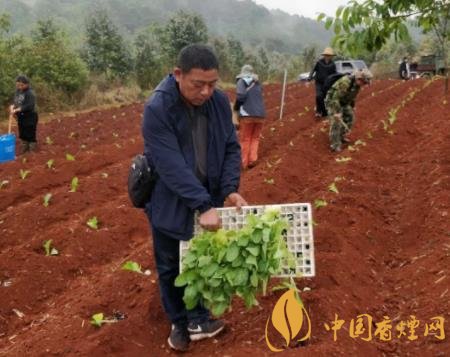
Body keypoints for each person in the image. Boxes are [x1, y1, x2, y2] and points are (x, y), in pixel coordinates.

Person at [141, 44, 247, 352]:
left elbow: (230, 146)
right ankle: (178, 320)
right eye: (198, 84)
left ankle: (199, 317)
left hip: (208, 195)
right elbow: (169, 165)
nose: (205, 91)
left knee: (200, 257)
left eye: (212, 84)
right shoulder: (158, 109)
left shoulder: (216, 102)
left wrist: (229, 189)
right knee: (171, 263)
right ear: (178, 75)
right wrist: (201, 204)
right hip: (170, 198)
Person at [325, 69, 373, 152]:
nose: (364, 85)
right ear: (359, 79)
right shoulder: (345, 82)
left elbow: (352, 97)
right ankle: (335, 145)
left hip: (344, 102)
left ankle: (341, 136)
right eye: (364, 83)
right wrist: (337, 113)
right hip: (332, 102)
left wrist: (352, 107)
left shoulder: (357, 85)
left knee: (350, 116)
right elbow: (335, 98)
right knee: (336, 122)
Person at [234, 64, 266, 169]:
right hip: (261, 115)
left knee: (245, 139)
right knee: (255, 138)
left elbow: (240, 96)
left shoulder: (241, 81)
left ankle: (243, 163)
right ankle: (253, 159)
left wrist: (236, 108)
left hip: (247, 114)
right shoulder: (257, 82)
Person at [9, 75, 38, 154]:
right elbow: (15, 101)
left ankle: (32, 148)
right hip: (21, 115)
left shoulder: (30, 93)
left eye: (22, 85)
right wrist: (12, 107)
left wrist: (18, 109)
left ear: (27, 84)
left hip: (30, 115)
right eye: (18, 85)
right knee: (22, 131)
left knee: (30, 131)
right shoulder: (18, 91)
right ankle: (25, 147)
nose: (20, 87)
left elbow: (29, 105)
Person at [309, 47, 337, 118]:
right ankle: (321, 111)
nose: (327, 57)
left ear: (331, 56)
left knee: (324, 97)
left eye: (329, 55)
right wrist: (310, 76)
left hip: (327, 84)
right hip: (318, 82)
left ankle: (321, 111)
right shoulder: (319, 62)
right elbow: (313, 70)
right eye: (326, 55)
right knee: (319, 96)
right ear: (324, 55)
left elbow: (334, 74)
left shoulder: (333, 64)